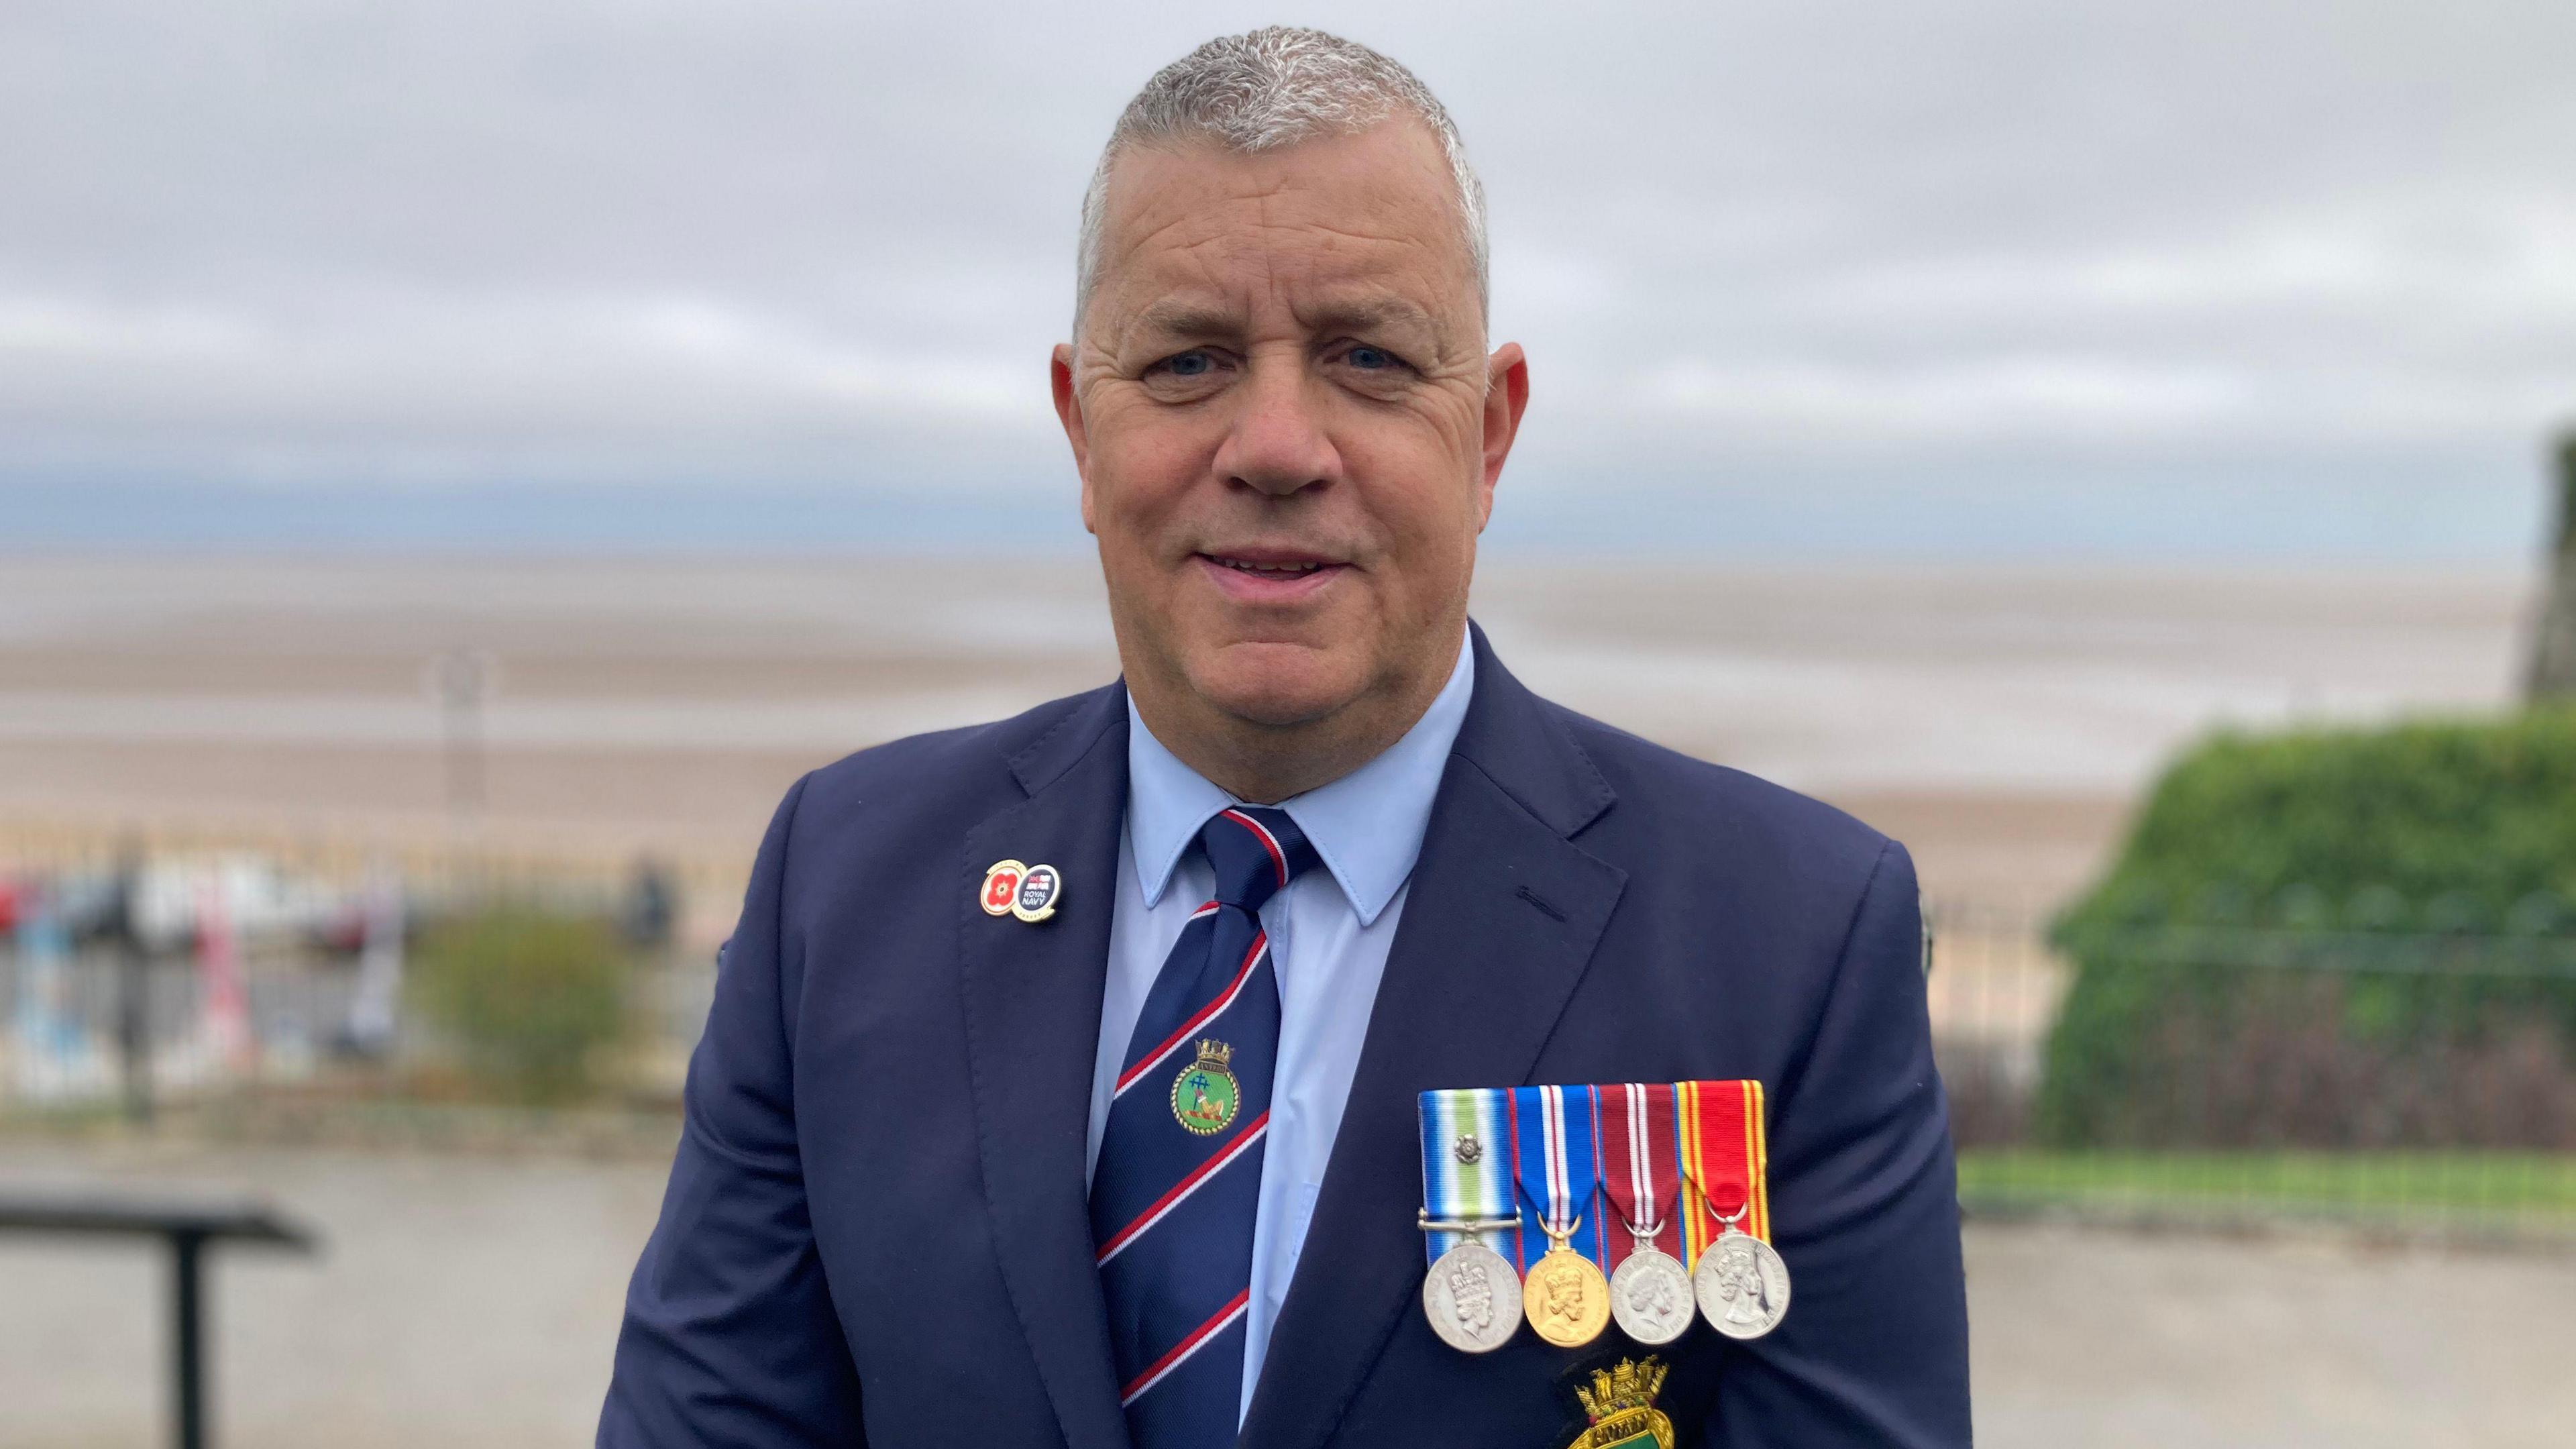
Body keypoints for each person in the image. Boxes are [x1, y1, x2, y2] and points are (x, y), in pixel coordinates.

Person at [600, 26, 1968, 1449]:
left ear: (1489, 435)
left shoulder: (1787, 939)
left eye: (1367, 358)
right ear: (1079, 430)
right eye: (1190, 362)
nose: (1273, 444)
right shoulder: (847, 882)